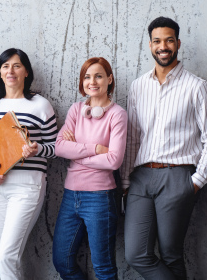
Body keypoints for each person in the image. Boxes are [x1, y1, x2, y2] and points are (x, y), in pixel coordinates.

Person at [121, 16, 207, 280]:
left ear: (178, 43)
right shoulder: (138, 86)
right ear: (150, 45)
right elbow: (132, 137)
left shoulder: (196, 86)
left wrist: (196, 182)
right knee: (136, 254)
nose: (162, 46)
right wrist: (125, 181)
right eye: (157, 41)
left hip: (178, 176)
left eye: (168, 40)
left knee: (171, 253)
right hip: (140, 178)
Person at [0, 48, 58, 280]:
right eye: (5, 66)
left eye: (16, 66)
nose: (10, 71)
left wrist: (37, 149)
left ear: (26, 72)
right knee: (4, 254)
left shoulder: (41, 105)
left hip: (28, 187)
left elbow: (56, 148)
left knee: (7, 254)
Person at [53, 57, 127, 280]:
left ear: (109, 79)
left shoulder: (117, 114)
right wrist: (94, 148)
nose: (92, 81)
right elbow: (59, 147)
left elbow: (114, 160)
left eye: (98, 76)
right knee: (62, 262)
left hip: (100, 197)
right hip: (70, 196)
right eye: (87, 77)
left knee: (103, 268)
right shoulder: (76, 110)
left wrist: (76, 155)